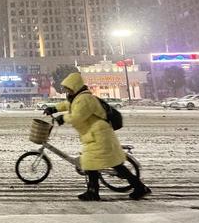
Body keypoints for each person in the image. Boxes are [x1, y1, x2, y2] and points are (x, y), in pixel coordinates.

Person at [44, 72, 151, 201]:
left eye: (68, 88)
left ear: (75, 86)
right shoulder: (78, 98)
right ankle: (98, 191)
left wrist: (63, 117)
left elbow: (77, 117)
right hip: (95, 134)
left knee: (96, 164)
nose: (67, 90)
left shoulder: (85, 99)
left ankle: (96, 191)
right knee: (100, 164)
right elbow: (68, 105)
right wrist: (54, 109)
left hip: (99, 135)